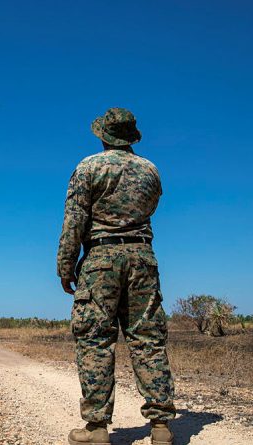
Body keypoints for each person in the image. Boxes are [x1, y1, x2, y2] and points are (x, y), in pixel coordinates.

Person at [57, 108, 175, 445]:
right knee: (148, 340)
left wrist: (66, 265)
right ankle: (161, 426)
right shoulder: (151, 171)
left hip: (101, 259)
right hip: (143, 260)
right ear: (131, 136)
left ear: (103, 135)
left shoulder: (89, 167)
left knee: (95, 340)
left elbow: (75, 220)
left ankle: (96, 428)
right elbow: (148, 209)